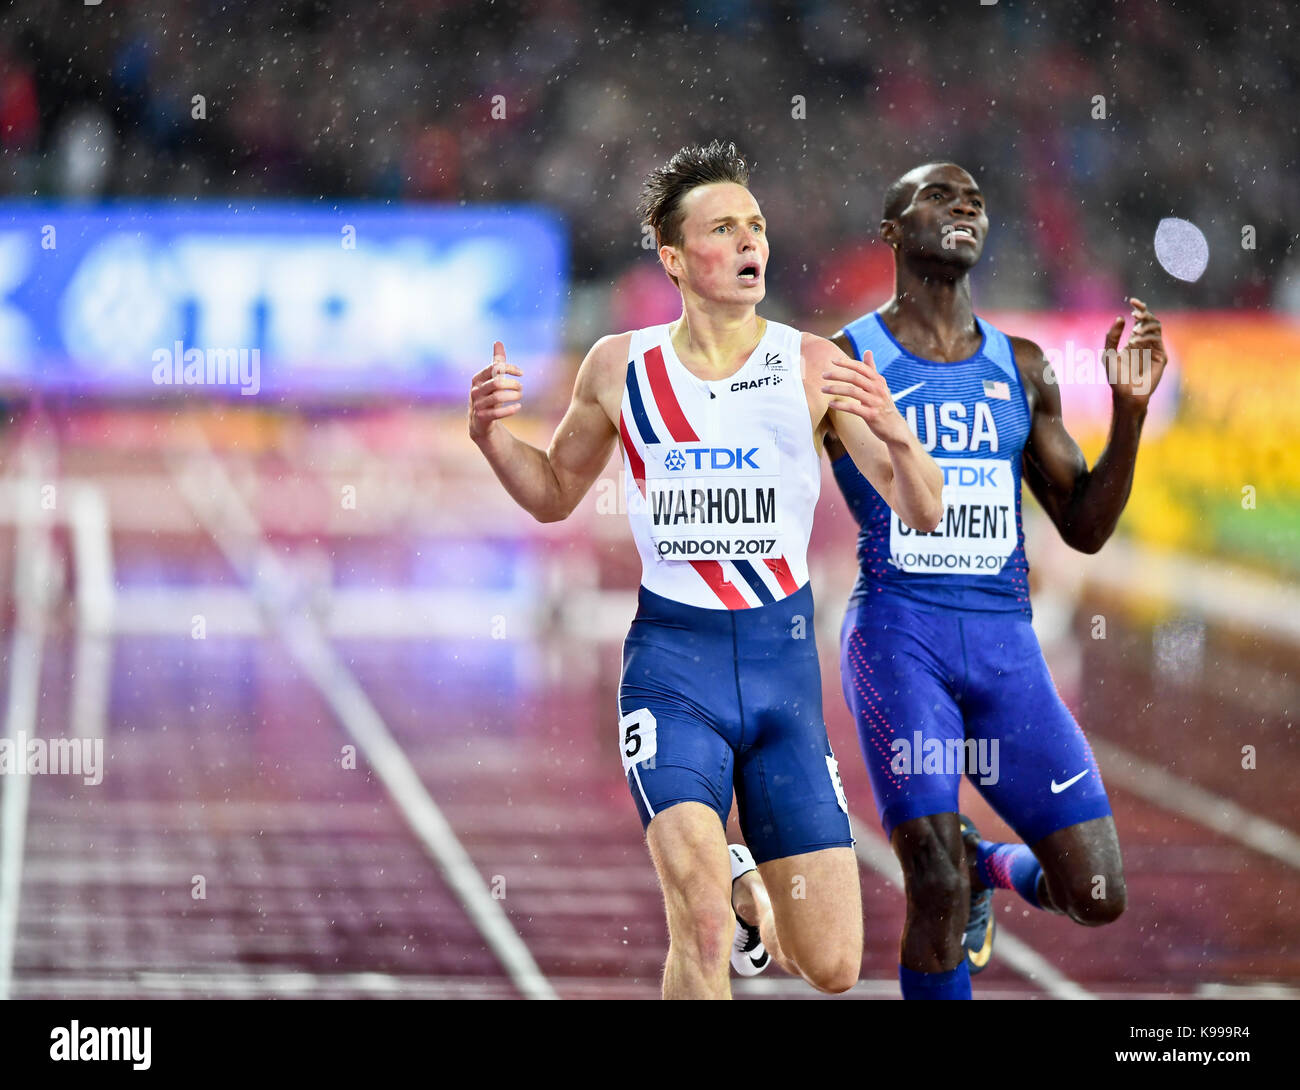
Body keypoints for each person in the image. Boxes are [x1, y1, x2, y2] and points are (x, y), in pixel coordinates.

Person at [468, 141, 944, 999]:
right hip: (672, 672)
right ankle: (724, 897)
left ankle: (750, 891)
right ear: (676, 257)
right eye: (724, 227)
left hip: (781, 676)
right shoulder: (620, 367)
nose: (750, 240)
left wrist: (903, 439)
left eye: (756, 224)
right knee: (698, 924)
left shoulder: (812, 365)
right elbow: (550, 495)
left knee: (830, 966)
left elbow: (922, 511)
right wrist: (491, 438)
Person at [825, 161, 1168, 1000]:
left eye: (976, 199)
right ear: (893, 230)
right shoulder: (845, 359)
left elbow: (1084, 529)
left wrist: (1127, 416)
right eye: (940, 196)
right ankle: (960, 869)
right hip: (901, 641)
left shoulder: (1023, 366)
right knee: (931, 882)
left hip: (1007, 651)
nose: (966, 206)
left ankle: (992, 867)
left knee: (1097, 895)